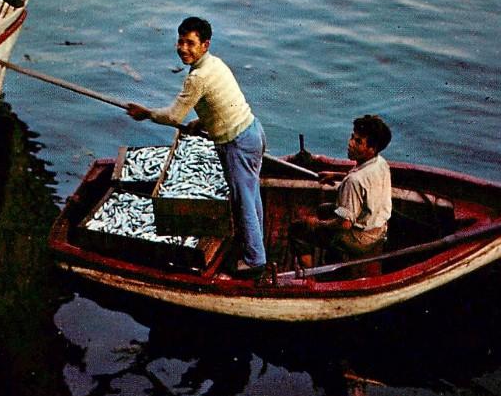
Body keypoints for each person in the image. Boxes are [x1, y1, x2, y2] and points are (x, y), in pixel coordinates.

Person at [127, 17, 267, 277]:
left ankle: (255, 262)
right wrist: (199, 122)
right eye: (180, 41)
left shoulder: (197, 77)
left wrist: (145, 113)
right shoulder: (215, 64)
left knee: (243, 201)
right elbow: (221, 101)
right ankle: (257, 244)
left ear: (205, 44)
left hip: (237, 143)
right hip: (253, 131)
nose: (183, 48)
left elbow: (172, 117)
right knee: (251, 195)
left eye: (190, 43)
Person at [291, 115, 392, 268]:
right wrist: (336, 175)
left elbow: (344, 224)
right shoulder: (381, 163)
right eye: (352, 137)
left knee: (298, 229)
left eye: (358, 142)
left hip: (360, 239)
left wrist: (316, 224)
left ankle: (309, 274)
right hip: (379, 229)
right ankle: (334, 256)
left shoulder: (354, 181)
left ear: (372, 149)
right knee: (324, 209)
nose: (350, 143)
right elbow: (365, 183)